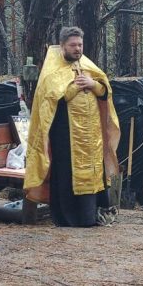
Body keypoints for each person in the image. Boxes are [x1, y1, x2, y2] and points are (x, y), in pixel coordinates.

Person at [24, 27, 121, 227]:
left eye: (80, 45)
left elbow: (104, 92)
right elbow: (49, 101)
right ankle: (68, 218)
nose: (77, 49)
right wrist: (74, 88)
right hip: (65, 134)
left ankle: (91, 214)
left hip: (91, 134)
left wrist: (93, 85)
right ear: (62, 46)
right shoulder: (52, 70)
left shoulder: (86, 65)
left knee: (93, 172)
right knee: (67, 173)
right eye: (73, 45)